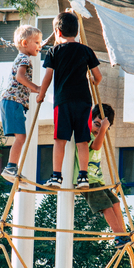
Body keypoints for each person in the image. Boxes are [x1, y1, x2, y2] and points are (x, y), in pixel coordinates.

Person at [36, 11, 102, 189]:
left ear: (57, 32)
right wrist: (93, 81)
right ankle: (83, 177)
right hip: (84, 102)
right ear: (77, 32)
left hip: (63, 101)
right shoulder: (86, 50)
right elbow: (98, 76)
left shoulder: (54, 51)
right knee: (82, 140)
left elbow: (48, 77)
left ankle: (57, 176)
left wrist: (41, 94)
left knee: (60, 139)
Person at [73, 103, 129, 247]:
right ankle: (119, 235)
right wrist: (103, 129)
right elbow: (96, 146)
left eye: (102, 126)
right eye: (96, 124)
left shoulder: (98, 135)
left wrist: (104, 128)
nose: (98, 129)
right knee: (106, 206)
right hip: (87, 182)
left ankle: (122, 234)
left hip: (97, 181)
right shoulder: (86, 134)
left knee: (115, 202)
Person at [1, 25, 42, 183]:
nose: (39, 46)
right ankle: (10, 167)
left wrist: (35, 90)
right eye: (36, 43)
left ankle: (12, 167)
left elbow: (20, 85)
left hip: (11, 102)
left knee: (20, 137)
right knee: (21, 138)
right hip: (13, 102)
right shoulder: (24, 59)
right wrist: (37, 88)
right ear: (25, 43)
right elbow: (20, 78)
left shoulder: (21, 58)